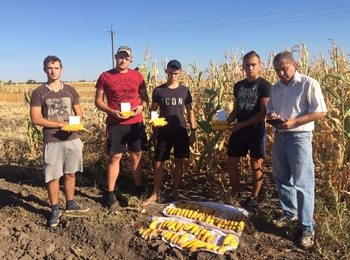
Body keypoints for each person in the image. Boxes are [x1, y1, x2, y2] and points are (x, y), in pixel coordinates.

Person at [266, 51, 327, 249]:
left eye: (284, 68)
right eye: (277, 70)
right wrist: (273, 115)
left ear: (294, 64)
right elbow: (269, 110)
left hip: (299, 137)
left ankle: (307, 228)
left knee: (303, 183)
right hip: (279, 136)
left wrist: (294, 122)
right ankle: (289, 213)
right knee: (282, 178)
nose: (281, 73)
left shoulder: (308, 84)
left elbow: (320, 111)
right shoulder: (275, 88)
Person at [30, 55, 89, 228]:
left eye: (56, 67)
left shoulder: (70, 90)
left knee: (71, 173)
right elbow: (35, 118)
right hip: (52, 139)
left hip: (72, 138)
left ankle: (70, 203)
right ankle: (54, 208)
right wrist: (59, 124)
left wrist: (73, 123)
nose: (53, 71)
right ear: (44, 70)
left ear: (61, 69)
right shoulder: (39, 92)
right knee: (53, 176)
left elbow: (79, 112)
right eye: (50, 68)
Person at [95, 46, 149, 209]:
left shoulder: (138, 75)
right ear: (115, 57)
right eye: (120, 56)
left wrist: (141, 107)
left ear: (131, 60)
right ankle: (110, 193)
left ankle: (138, 188)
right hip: (116, 123)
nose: (123, 60)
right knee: (115, 157)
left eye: (126, 57)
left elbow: (145, 98)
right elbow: (98, 101)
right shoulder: (105, 76)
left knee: (137, 155)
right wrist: (112, 111)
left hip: (135, 122)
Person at [142, 60, 196, 205]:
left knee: (179, 162)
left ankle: (175, 191)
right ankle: (155, 193)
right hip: (164, 132)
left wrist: (193, 130)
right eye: (171, 73)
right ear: (166, 72)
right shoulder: (158, 91)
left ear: (180, 73)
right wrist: (153, 122)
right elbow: (153, 110)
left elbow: (190, 111)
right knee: (159, 163)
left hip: (181, 131)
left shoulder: (185, 90)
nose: (173, 76)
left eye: (176, 73)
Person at [226, 51, 271, 208]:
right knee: (231, 162)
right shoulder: (238, 86)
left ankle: (254, 196)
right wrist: (225, 123)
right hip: (239, 130)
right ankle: (235, 193)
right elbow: (236, 110)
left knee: (255, 164)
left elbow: (263, 113)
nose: (250, 68)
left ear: (260, 66)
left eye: (253, 64)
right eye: (247, 65)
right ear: (243, 67)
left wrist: (241, 124)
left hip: (255, 130)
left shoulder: (264, 86)